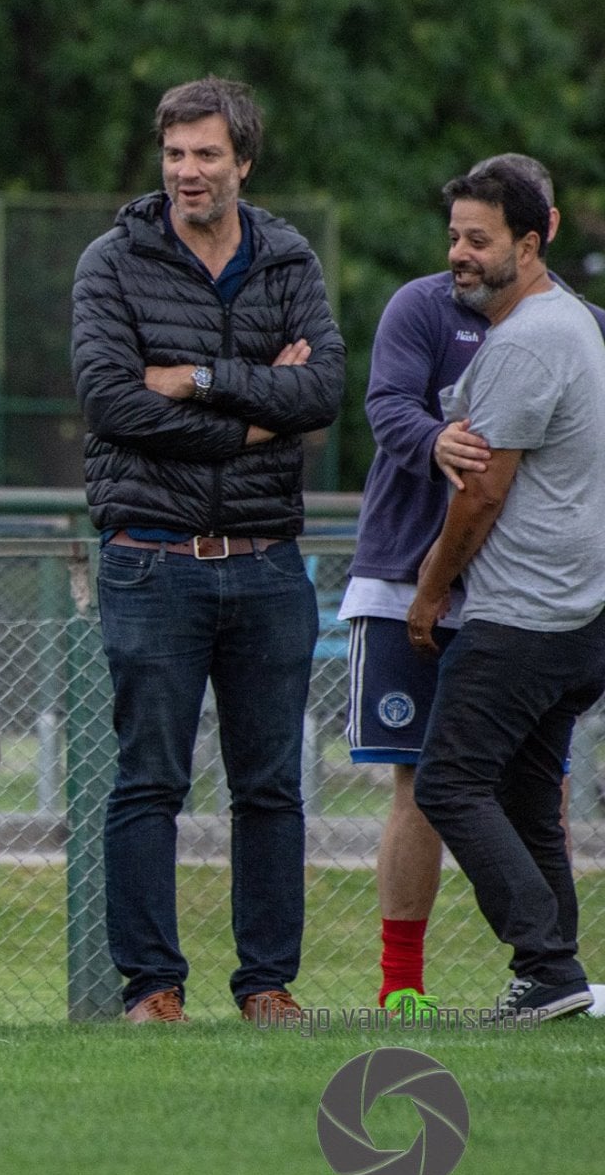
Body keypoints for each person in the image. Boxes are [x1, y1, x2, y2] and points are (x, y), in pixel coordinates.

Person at [70, 76, 345, 1025]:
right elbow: (112, 402)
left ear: (244, 163)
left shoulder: (288, 258)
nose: (187, 172)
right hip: (152, 558)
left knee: (271, 786)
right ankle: (152, 988)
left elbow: (322, 391)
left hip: (268, 560)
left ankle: (267, 984)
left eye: (207, 155)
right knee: (149, 780)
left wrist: (194, 377)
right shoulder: (112, 261)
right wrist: (255, 415)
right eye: (174, 154)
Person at [344, 154, 605, 1016]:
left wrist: (429, 590)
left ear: (532, 243)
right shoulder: (575, 325)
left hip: (521, 613)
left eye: (479, 239)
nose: (460, 252)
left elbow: (483, 491)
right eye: (454, 235)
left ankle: (542, 954)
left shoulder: (525, 340)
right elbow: (393, 410)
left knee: (448, 782)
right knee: (528, 794)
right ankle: (554, 980)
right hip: (577, 615)